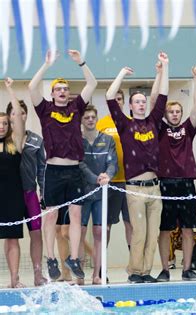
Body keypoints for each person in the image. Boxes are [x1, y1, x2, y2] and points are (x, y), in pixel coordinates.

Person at [29, 49, 97, 280]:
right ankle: (51, 258)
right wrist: (46, 65)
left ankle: (74, 258)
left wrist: (81, 63)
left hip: (74, 170)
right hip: (55, 170)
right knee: (51, 217)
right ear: (52, 93)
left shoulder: (76, 108)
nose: (63, 92)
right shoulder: (44, 109)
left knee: (76, 216)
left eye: (65, 89)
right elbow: (31, 87)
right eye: (58, 89)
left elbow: (92, 82)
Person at [105, 52, 168, 283]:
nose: (141, 104)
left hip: (155, 188)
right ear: (130, 107)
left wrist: (165, 67)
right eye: (137, 102)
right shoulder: (124, 124)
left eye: (143, 101)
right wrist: (121, 73)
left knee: (153, 235)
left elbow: (162, 95)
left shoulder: (153, 122)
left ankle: (145, 272)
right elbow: (110, 97)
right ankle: (134, 272)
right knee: (139, 233)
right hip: (135, 189)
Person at [155, 64, 196, 282]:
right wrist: (161, 72)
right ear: (166, 114)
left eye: (177, 112)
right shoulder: (160, 129)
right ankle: (165, 269)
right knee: (164, 230)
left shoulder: (187, 129)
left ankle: (186, 269)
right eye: (171, 112)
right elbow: (155, 101)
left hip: (186, 184)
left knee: (187, 229)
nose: (175, 115)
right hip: (165, 183)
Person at [6, 101, 47, 286]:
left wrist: (43, 193)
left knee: (36, 233)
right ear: (9, 116)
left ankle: (38, 273)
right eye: (14, 113)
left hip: (30, 194)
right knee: (11, 236)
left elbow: (42, 170)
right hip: (10, 195)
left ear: (26, 115)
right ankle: (14, 277)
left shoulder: (36, 140)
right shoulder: (5, 142)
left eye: (22, 113)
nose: (19, 116)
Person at [79, 105, 117, 284]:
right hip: (82, 193)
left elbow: (113, 163)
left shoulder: (107, 140)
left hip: (102, 193)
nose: (90, 120)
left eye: (93, 117)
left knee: (100, 232)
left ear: (96, 118)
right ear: (82, 120)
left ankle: (97, 274)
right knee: (79, 232)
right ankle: (79, 275)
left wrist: (107, 176)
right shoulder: (77, 140)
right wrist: (96, 178)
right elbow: (80, 165)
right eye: (86, 117)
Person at [96, 89, 132, 250]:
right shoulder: (101, 124)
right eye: (114, 99)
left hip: (131, 181)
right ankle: (102, 268)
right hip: (110, 182)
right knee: (107, 225)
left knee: (131, 223)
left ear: (124, 102)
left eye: (120, 99)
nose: (117, 102)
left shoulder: (132, 121)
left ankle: (135, 268)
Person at [0, 78, 27, 288]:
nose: (1, 127)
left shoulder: (15, 143)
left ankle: (14, 279)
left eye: (5, 123)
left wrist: (10, 90)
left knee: (12, 240)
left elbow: (18, 115)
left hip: (12, 197)